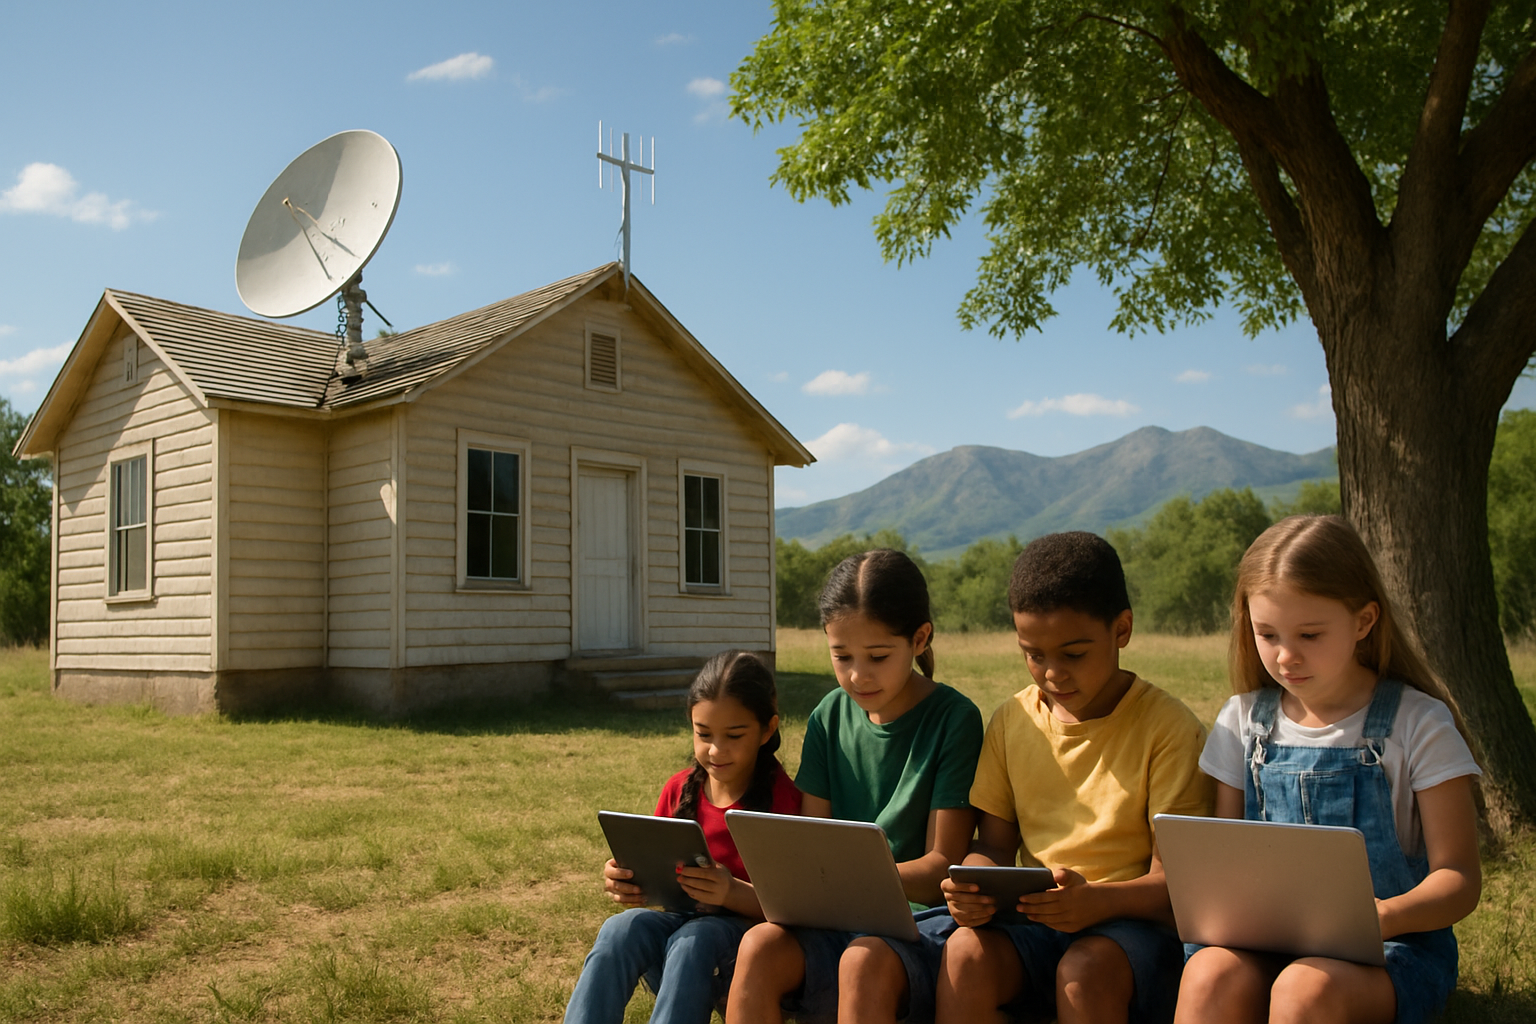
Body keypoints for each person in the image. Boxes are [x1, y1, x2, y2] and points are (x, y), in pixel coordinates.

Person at [1175, 515, 1482, 1024]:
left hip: (1390, 952)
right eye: (1266, 634)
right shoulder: (1242, 720)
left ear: (1363, 621)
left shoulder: (1418, 723)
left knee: (1303, 988)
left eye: (1309, 634)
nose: (1286, 655)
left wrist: (1382, 916)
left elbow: (1460, 878)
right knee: (1208, 975)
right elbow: (1221, 858)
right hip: (1262, 944)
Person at [935, 531, 1213, 1024]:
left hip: (1132, 930)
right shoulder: (1012, 721)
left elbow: (1177, 882)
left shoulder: (1169, 728)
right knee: (964, 956)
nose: (1052, 674)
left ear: (1121, 629)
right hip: (1035, 918)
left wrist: (1095, 902)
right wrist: (972, 887)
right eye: (1033, 654)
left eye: (1074, 654)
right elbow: (995, 846)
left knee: (1084, 972)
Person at [726, 549, 984, 1024]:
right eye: (841, 656)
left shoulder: (954, 719)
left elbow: (942, 864)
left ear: (920, 637)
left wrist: (849, 882)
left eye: (878, 656)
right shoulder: (829, 715)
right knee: (759, 944)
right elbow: (811, 840)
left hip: (916, 928)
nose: (857, 675)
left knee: (862, 959)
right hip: (830, 919)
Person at [564, 650, 802, 1024]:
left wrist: (730, 892)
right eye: (703, 734)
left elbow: (795, 909)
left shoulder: (783, 801)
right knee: (620, 928)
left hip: (742, 943)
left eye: (734, 735)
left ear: (767, 730)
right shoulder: (680, 789)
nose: (715, 750)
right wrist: (628, 880)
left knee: (696, 939)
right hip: (679, 923)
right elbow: (657, 873)